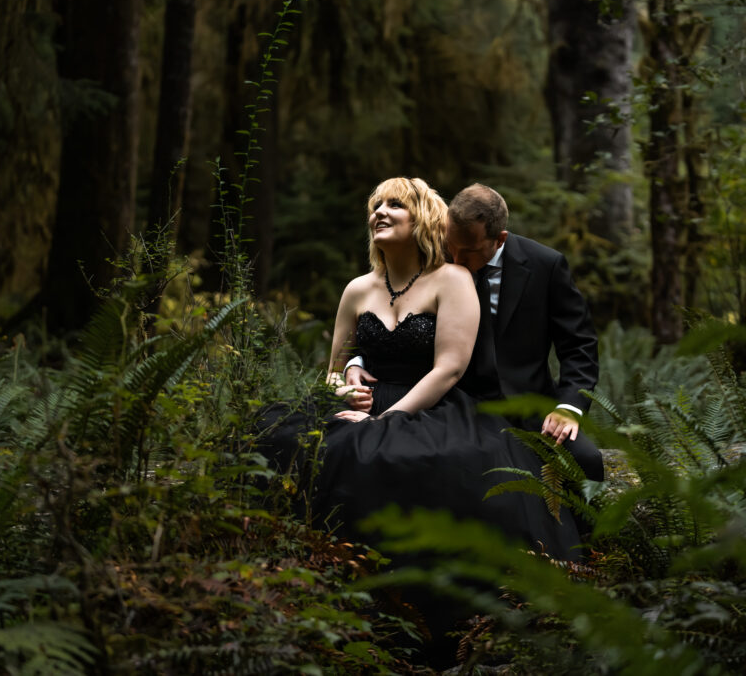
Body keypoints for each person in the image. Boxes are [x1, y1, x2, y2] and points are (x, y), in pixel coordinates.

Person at [253, 177, 582, 562]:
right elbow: (333, 369)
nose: (380, 212)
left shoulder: (454, 278)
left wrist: (385, 419)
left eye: (395, 205)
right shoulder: (356, 289)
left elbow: (449, 368)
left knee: (413, 459)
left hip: (428, 406)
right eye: (376, 205)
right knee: (282, 437)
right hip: (361, 404)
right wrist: (342, 385)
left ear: (424, 219)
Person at [345, 182, 604, 483]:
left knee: (586, 462)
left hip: (525, 407)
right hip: (449, 405)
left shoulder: (544, 264)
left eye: (468, 252)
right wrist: (357, 361)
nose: (455, 259)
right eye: (450, 245)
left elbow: (579, 346)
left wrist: (568, 407)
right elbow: (390, 311)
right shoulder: (435, 256)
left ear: (499, 239)